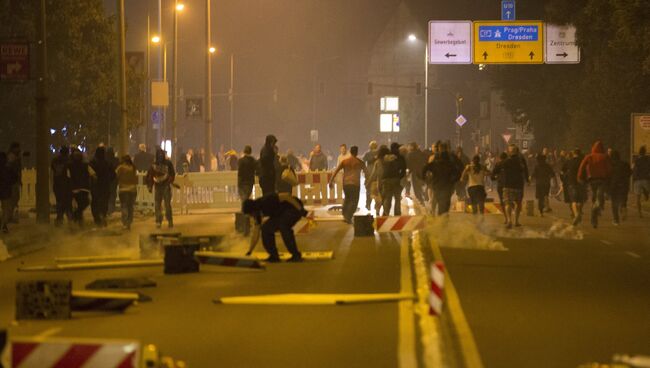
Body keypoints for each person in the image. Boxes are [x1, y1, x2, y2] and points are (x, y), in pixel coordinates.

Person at [243, 193, 308, 262]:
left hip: (293, 208)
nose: (251, 216)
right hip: (281, 214)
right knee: (266, 228)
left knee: (283, 225)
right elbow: (256, 233)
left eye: (250, 214)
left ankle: (296, 255)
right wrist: (250, 251)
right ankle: (274, 256)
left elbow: (286, 196)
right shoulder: (257, 214)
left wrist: (301, 209)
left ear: (253, 210)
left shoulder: (265, 202)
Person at [578, 140, 612, 228]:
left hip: (592, 180)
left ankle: (594, 217)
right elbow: (609, 169)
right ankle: (594, 214)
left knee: (595, 196)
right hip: (602, 180)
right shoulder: (605, 157)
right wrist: (609, 178)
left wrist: (580, 177)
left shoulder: (589, 156)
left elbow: (582, 167)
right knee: (599, 198)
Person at [329, 146, 367, 224]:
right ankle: (348, 216)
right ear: (357, 152)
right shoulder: (360, 162)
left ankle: (345, 214)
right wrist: (368, 182)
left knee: (347, 199)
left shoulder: (345, 161)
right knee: (354, 201)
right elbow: (367, 173)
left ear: (350, 152)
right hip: (355, 184)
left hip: (346, 183)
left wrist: (330, 181)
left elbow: (336, 171)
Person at [422, 150, 458, 216]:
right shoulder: (450, 164)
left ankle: (438, 217)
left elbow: (424, 169)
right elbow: (457, 174)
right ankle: (443, 219)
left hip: (436, 186)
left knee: (437, 201)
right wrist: (453, 181)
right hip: (447, 187)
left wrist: (426, 179)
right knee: (445, 204)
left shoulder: (434, 164)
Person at [146, 148, 176, 229]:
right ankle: (159, 220)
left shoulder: (168, 163)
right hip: (158, 186)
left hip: (166, 186)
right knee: (157, 205)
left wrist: (170, 180)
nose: (160, 156)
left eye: (161, 155)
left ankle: (169, 220)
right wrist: (150, 186)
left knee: (167, 205)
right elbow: (150, 176)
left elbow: (172, 173)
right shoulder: (153, 165)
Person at [502, 144, 529, 229]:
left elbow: (500, 169)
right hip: (519, 185)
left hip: (508, 184)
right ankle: (516, 221)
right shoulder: (521, 161)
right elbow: (526, 170)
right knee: (518, 203)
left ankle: (509, 220)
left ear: (510, 152)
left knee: (508, 203)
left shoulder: (506, 161)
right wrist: (527, 180)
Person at [89, 146, 114, 227]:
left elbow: (88, 173)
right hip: (105, 186)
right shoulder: (107, 163)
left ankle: (97, 219)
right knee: (104, 203)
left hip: (96, 187)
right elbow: (113, 174)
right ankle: (103, 216)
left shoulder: (92, 162)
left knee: (95, 203)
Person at [561, 149, 587, 226]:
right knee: (581, 199)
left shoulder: (569, 161)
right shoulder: (583, 161)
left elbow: (562, 171)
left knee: (573, 200)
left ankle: (576, 214)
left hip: (571, 182)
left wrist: (563, 180)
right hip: (582, 182)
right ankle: (579, 211)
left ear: (573, 154)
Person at [67, 149, 93, 227]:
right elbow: (93, 175)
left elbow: (68, 177)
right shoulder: (85, 165)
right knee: (84, 203)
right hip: (83, 188)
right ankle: (78, 216)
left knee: (80, 204)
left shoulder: (69, 165)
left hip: (74, 189)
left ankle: (77, 217)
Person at [381, 143, 407, 216]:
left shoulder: (385, 157)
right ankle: (397, 214)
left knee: (388, 198)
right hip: (396, 179)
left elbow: (382, 168)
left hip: (386, 179)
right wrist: (400, 177)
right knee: (397, 198)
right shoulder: (400, 157)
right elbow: (404, 169)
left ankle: (385, 214)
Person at [51, 146, 72, 226]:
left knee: (59, 202)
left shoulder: (55, 160)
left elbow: (54, 170)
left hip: (57, 184)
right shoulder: (68, 161)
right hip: (66, 185)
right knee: (67, 203)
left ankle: (59, 219)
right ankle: (70, 220)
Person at [115, 155, 138, 230]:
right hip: (133, 189)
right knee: (130, 206)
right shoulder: (133, 168)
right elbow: (135, 178)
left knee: (124, 206)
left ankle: (125, 222)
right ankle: (129, 222)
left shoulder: (120, 168)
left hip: (123, 189)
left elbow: (116, 176)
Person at [609, 150, 632, 225]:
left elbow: (607, 176)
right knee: (623, 199)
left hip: (614, 185)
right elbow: (630, 173)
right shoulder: (625, 164)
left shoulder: (610, 165)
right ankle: (623, 207)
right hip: (624, 185)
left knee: (614, 203)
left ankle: (616, 220)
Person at [366, 145, 388, 215]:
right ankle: (385, 211)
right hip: (388, 182)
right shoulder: (390, 160)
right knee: (386, 198)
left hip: (380, 182)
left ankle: (378, 210)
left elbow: (373, 174)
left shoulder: (378, 162)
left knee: (378, 197)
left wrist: (368, 183)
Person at [632, 145, 650, 218]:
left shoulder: (636, 160)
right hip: (645, 179)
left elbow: (633, 169)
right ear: (645, 152)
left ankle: (640, 213)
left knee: (637, 198)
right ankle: (646, 193)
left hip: (637, 180)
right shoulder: (648, 159)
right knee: (648, 192)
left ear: (639, 153)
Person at [491, 152, 509, 224]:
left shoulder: (498, 164)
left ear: (500, 158)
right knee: (508, 201)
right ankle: (510, 218)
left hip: (500, 185)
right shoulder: (509, 164)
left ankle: (506, 218)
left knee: (502, 201)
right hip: (509, 185)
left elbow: (492, 176)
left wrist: (496, 177)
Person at [6, 142, 22, 223]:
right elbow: (11, 168)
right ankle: (9, 217)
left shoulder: (16, 157)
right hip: (12, 181)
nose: (19, 149)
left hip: (15, 181)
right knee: (12, 199)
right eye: (17, 148)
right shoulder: (11, 156)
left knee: (15, 198)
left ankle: (10, 216)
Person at [0, 152, 15, 232]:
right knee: (6, 209)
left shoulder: (7, 169)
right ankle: (3, 225)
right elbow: (13, 179)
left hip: (4, 190)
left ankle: (3, 225)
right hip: (5, 192)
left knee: (5, 209)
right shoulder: (7, 169)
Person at [362, 141, 378, 210]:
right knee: (377, 190)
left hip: (368, 173)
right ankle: (377, 205)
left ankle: (368, 204)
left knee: (368, 189)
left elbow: (363, 161)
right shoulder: (379, 153)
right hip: (377, 174)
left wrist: (364, 170)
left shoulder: (367, 153)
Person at [105, 147, 119, 215]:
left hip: (105, 180)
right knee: (113, 194)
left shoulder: (104, 160)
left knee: (106, 194)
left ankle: (106, 208)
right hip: (113, 179)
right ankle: (111, 208)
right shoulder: (116, 160)